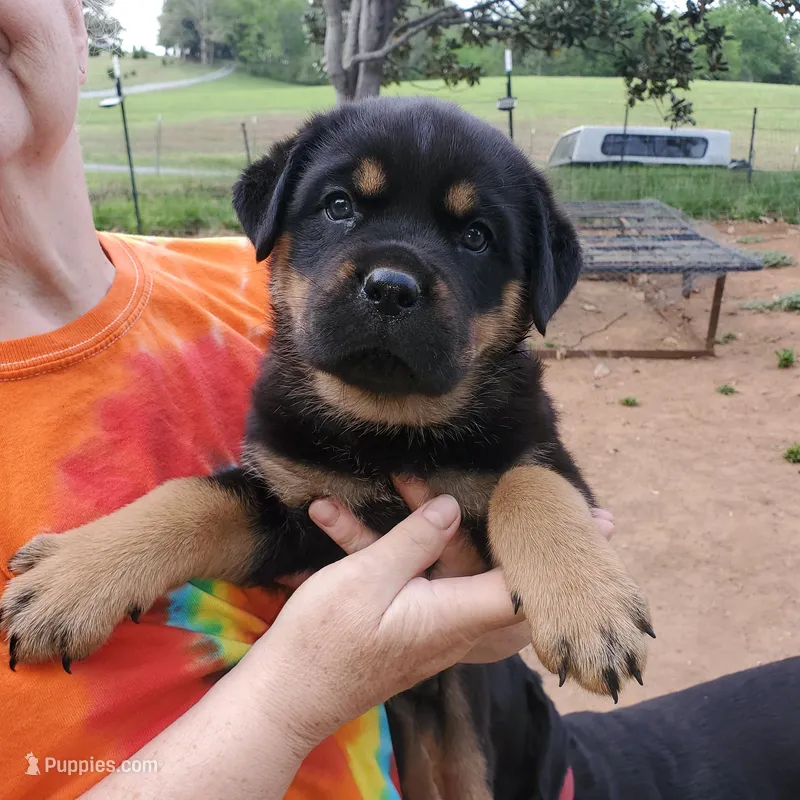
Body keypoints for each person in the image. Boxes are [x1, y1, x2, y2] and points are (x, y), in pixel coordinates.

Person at [0, 2, 615, 798]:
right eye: (340, 207)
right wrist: (125, 556)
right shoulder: (286, 381)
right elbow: (258, 511)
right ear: (277, 232)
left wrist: (537, 564)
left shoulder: (220, 286)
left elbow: (534, 527)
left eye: (473, 239)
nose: (395, 275)